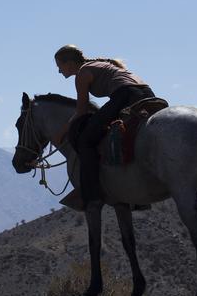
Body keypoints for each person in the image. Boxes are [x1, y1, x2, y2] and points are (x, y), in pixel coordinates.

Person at [53, 44, 155, 208]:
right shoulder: (100, 65)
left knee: (86, 139)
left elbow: (81, 112)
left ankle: (91, 194)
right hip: (147, 94)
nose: (59, 71)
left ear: (69, 63)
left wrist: (62, 132)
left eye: (60, 66)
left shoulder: (82, 73)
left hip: (125, 95)